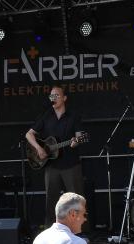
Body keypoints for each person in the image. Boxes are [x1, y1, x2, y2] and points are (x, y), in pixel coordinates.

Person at [26, 84, 86, 225]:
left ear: (64, 98)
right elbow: (29, 134)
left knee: (75, 199)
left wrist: (75, 142)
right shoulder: (46, 116)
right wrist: (38, 148)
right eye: (52, 96)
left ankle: (78, 231)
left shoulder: (73, 116)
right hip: (52, 166)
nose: (54, 98)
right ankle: (50, 229)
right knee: (51, 200)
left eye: (57, 95)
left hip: (71, 164)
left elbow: (80, 137)